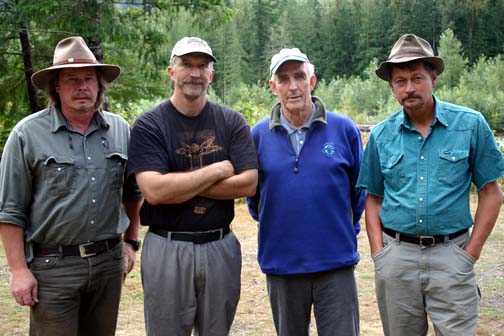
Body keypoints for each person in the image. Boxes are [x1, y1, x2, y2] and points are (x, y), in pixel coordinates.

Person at [356, 33, 504, 336]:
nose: (409, 88)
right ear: (391, 86)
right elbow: (373, 198)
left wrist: (470, 253)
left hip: (452, 256)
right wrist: (379, 255)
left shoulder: (470, 125)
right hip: (397, 260)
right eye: (400, 81)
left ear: (433, 78)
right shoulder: (382, 135)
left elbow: (491, 193)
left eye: (417, 78)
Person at [0, 36, 143, 335]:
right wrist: (18, 271)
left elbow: (132, 193)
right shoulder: (27, 134)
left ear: (100, 84)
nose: (82, 86)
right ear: (56, 85)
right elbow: (10, 211)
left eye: (89, 78)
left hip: (108, 264)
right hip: (53, 268)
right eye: (72, 79)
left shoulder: (119, 130)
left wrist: (130, 243)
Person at [127, 36, 258, 336]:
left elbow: (249, 183)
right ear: (172, 71)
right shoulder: (149, 125)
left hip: (220, 246)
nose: (195, 73)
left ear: (211, 74)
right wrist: (218, 170)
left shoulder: (232, 122)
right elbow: (155, 191)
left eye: (203, 66)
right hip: (167, 247)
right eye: (186, 65)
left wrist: (179, 182)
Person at [247, 48, 365, 336]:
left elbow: (359, 194)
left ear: (312, 80)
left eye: (300, 76)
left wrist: (340, 229)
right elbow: (255, 201)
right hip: (282, 265)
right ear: (273, 87)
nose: (293, 86)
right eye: (284, 79)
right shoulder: (257, 136)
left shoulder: (344, 130)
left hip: (335, 264)